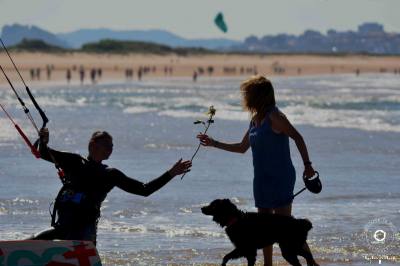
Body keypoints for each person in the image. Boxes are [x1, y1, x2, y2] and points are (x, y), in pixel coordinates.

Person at [197, 75, 319, 266]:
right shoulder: (254, 121)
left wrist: (308, 165)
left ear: (259, 96)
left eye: (248, 93)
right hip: (261, 180)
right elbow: (241, 147)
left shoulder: (275, 117)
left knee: (285, 227)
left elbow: (297, 137)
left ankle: (311, 262)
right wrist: (213, 143)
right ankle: (267, 264)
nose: (245, 97)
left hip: (281, 178)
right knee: (264, 228)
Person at [31, 128, 191, 245]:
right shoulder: (74, 161)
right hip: (66, 221)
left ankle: (31, 244)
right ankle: (25, 245)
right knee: (60, 232)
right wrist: (43, 140)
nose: (111, 148)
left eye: (112, 145)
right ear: (93, 145)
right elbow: (42, 153)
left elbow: (144, 190)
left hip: (85, 228)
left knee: (68, 236)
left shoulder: (110, 174)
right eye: (107, 145)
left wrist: (171, 173)